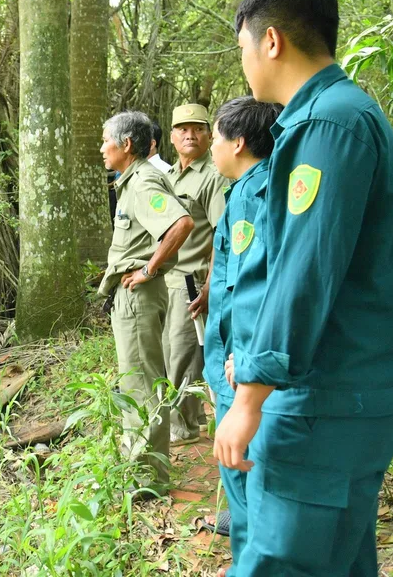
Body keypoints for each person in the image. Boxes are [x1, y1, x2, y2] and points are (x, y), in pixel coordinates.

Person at [213, 0, 393, 577]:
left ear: (270, 41)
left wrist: (248, 396)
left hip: (320, 403)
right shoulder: (345, 114)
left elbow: (303, 271)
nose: (244, 61)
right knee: (341, 561)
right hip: (347, 397)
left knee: (279, 561)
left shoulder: (326, 124)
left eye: (242, 46)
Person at [200, 96, 283, 570]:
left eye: (215, 137)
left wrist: (242, 363)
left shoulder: (253, 193)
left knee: (245, 481)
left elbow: (252, 289)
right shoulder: (249, 188)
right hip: (240, 367)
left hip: (241, 371)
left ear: (239, 142)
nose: (211, 147)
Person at [98, 111, 194, 489]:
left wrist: (149, 270)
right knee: (137, 378)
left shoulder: (141, 183)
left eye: (106, 140)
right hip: (133, 296)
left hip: (138, 294)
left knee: (141, 382)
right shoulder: (133, 180)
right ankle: (140, 466)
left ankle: (147, 478)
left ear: (125, 144)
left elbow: (181, 223)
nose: (101, 148)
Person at [164, 103, 229, 444]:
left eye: (198, 129)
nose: (190, 134)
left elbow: (222, 234)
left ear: (208, 134)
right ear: (173, 137)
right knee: (172, 354)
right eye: (182, 129)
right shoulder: (169, 177)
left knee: (184, 356)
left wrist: (209, 286)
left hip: (191, 280)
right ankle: (189, 419)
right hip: (166, 279)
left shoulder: (214, 176)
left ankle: (182, 427)